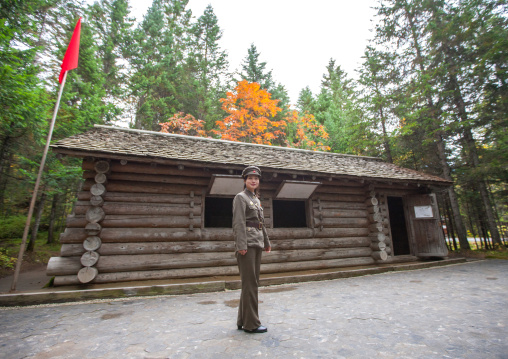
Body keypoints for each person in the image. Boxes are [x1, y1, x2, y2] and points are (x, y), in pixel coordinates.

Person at [232, 165, 271, 333]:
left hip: (257, 243)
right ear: (245, 180)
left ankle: (242, 320)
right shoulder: (240, 198)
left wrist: (267, 242)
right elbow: (238, 223)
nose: (253, 180)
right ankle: (251, 324)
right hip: (247, 245)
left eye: (256, 179)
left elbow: (260, 223)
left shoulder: (255, 199)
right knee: (251, 285)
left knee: (250, 283)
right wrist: (241, 245)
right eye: (250, 178)